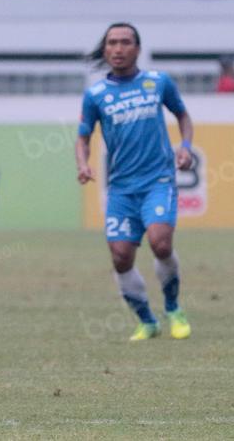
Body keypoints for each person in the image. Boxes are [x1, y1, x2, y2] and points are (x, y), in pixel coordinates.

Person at [75, 23, 194, 341]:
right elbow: (83, 137)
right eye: (112, 43)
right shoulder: (95, 95)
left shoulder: (158, 82)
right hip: (121, 188)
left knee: (160, 243)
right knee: (120, 257)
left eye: (125, 42)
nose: (118, 48)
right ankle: (147, 321)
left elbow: (183, 116)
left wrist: (185, 146)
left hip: (158, 180)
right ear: (105, 49)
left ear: (138, 49)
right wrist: (83, 164)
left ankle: (173, 309)